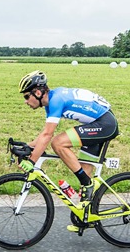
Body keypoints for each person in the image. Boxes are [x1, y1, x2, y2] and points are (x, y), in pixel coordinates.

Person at [18, 70, 118, 200]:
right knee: (84, 175)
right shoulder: (51, 100)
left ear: (37, 93)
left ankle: (87, 183)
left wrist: (32, 161)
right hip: (99, 123)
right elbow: (44, 134)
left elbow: (48, 135)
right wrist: (27, 146)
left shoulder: (56, 100)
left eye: (26, 97)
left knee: (58, 143)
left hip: (105, 124)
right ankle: (86, 216)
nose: (26, 101)